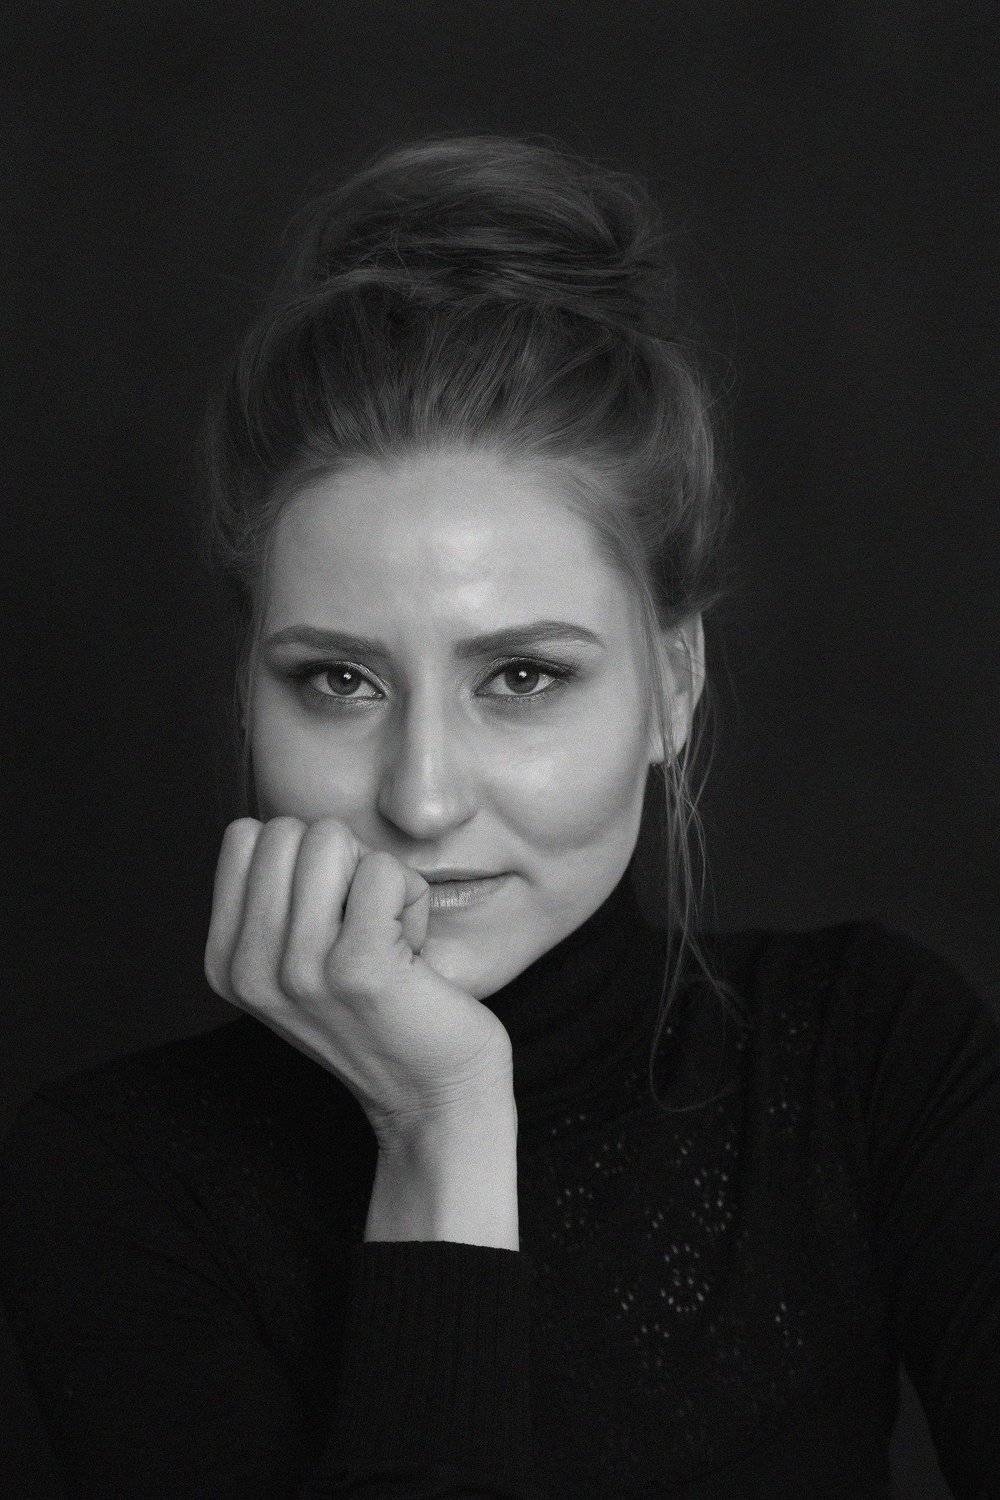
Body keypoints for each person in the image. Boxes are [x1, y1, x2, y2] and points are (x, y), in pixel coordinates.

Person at [1, 131, 997, 1500]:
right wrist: (445, 1126)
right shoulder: (116, 1178)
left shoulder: (872, 1060)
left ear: (673, 686)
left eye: (522, 676)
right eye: (339, 681)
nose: (419, 797)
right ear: (246, 694)